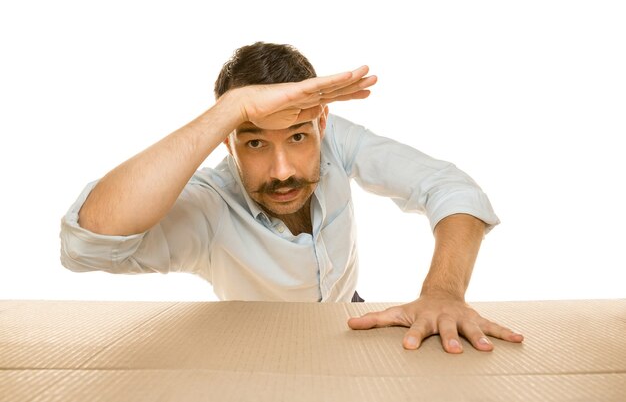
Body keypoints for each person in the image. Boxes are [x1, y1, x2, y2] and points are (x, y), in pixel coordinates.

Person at [60, 41, 524, 354]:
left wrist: (443, 292)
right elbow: (87, 243)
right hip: (261, 346)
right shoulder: (211, 205)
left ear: (321, 124)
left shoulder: (336, 138)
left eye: (299, 137)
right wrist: (228, 111)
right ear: (228, 140)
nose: (281, 172)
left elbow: (450, 187)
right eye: (255, 142)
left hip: (350, 317)